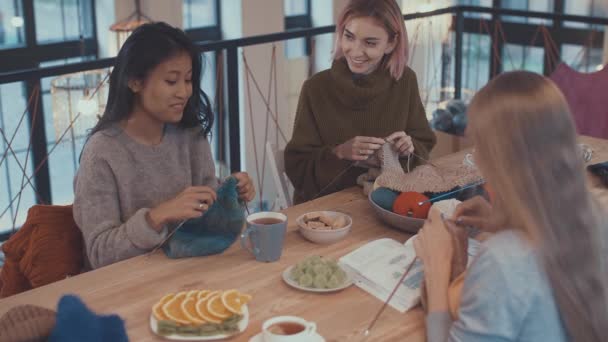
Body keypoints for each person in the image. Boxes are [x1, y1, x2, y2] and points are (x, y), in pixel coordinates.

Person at [414, 71, 608, 342]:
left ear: (503, 161)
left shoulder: (503, 261)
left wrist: (437, 268)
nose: (477, 157)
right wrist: (503, 220)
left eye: (480, 145)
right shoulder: (597, 212)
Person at [73, 22, 255, 269]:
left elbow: (207, 217)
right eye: (171, 81)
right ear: (135, 82)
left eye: (188, 80)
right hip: (128, 285)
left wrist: (230, 193)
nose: (184, 92)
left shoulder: (190, 135)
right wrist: (156, 217)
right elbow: (100, 253)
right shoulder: (102, 153)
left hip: (190, 271)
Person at [284, 0, 436, 204]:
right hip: (326, 210)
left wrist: (409, 148)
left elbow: (423, 144)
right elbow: (297, 168)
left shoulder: (405, 81)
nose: (355, 51)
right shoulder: (315, 88)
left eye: (370, 43)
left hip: (388, 203)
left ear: (391, 43)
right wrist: (339, 153)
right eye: (349, 37)